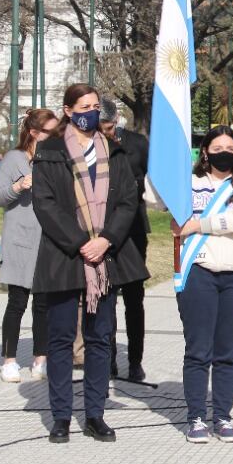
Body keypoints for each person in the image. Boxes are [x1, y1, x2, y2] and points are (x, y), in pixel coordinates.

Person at [32, 84, 147, 443]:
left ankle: (95, 413)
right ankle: (62, 415)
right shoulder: (49, 151)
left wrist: (106, 239)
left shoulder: (114, 150)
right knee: (62, 337)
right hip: (67, 255)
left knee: (101, 338)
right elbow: (45, 203)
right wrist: (82, 242)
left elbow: (129, 200)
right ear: (68, 110)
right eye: (85, 106)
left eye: (96, 106)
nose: (92, 112)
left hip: (106, 255)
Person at [173, 126, 233, 443]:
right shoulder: (189, 182)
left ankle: (223, 416)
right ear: (205, 151)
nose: (223, 151)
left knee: (227, 351)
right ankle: (196, 416)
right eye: (217, 146)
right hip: (199, 271)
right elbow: (153, 195)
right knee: (198, 349)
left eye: (230, 147)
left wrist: (198, 224)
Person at [0, 108, 58, 383]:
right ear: (34, 133)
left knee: (43, 303)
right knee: (17, 301)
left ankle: (40, 358)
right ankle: (9, 360)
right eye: (50, 132)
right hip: (20, 239)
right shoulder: (14, 159)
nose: (55, 137)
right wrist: (18, 187)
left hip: (48, 238)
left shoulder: (55, 158)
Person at [100, 98, 150, 382]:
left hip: (132, 230)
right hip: (101, 231)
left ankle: (135, 360)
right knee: (106, 297)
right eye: (101, 128)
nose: (105, 133)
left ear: (117, 120)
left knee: (134, 298)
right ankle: (107, 359)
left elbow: (152, 178)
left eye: (108, 127)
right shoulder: (90, 145)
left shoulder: (136, 143)